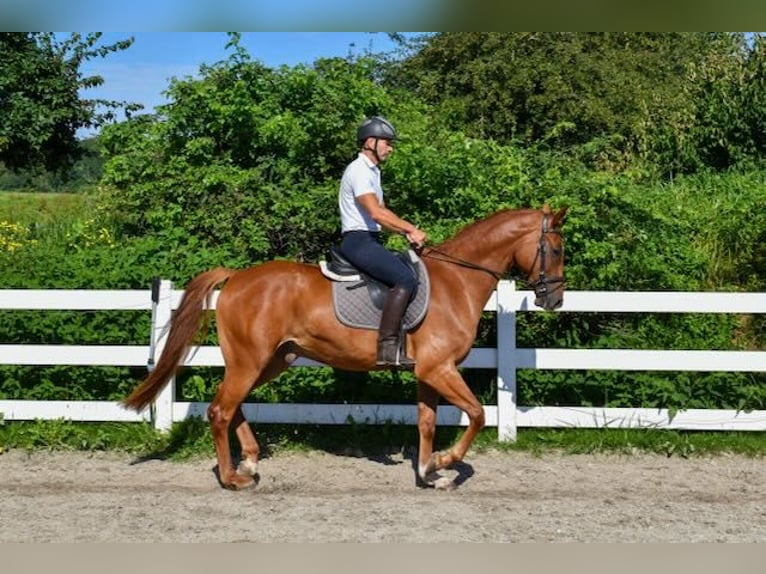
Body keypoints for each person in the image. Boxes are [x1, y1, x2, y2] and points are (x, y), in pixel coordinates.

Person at [338, 116, 427, 368]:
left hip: (370, 239)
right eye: (387, 142)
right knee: (404, 279)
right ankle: (388, 347)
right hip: (358, 240)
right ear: (370, 142)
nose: (391, 147)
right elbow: (376, 213)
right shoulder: (358, 170)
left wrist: (406, 234)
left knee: (409, 269)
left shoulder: (373, 172)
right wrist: (412, 228)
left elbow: (384, 213)